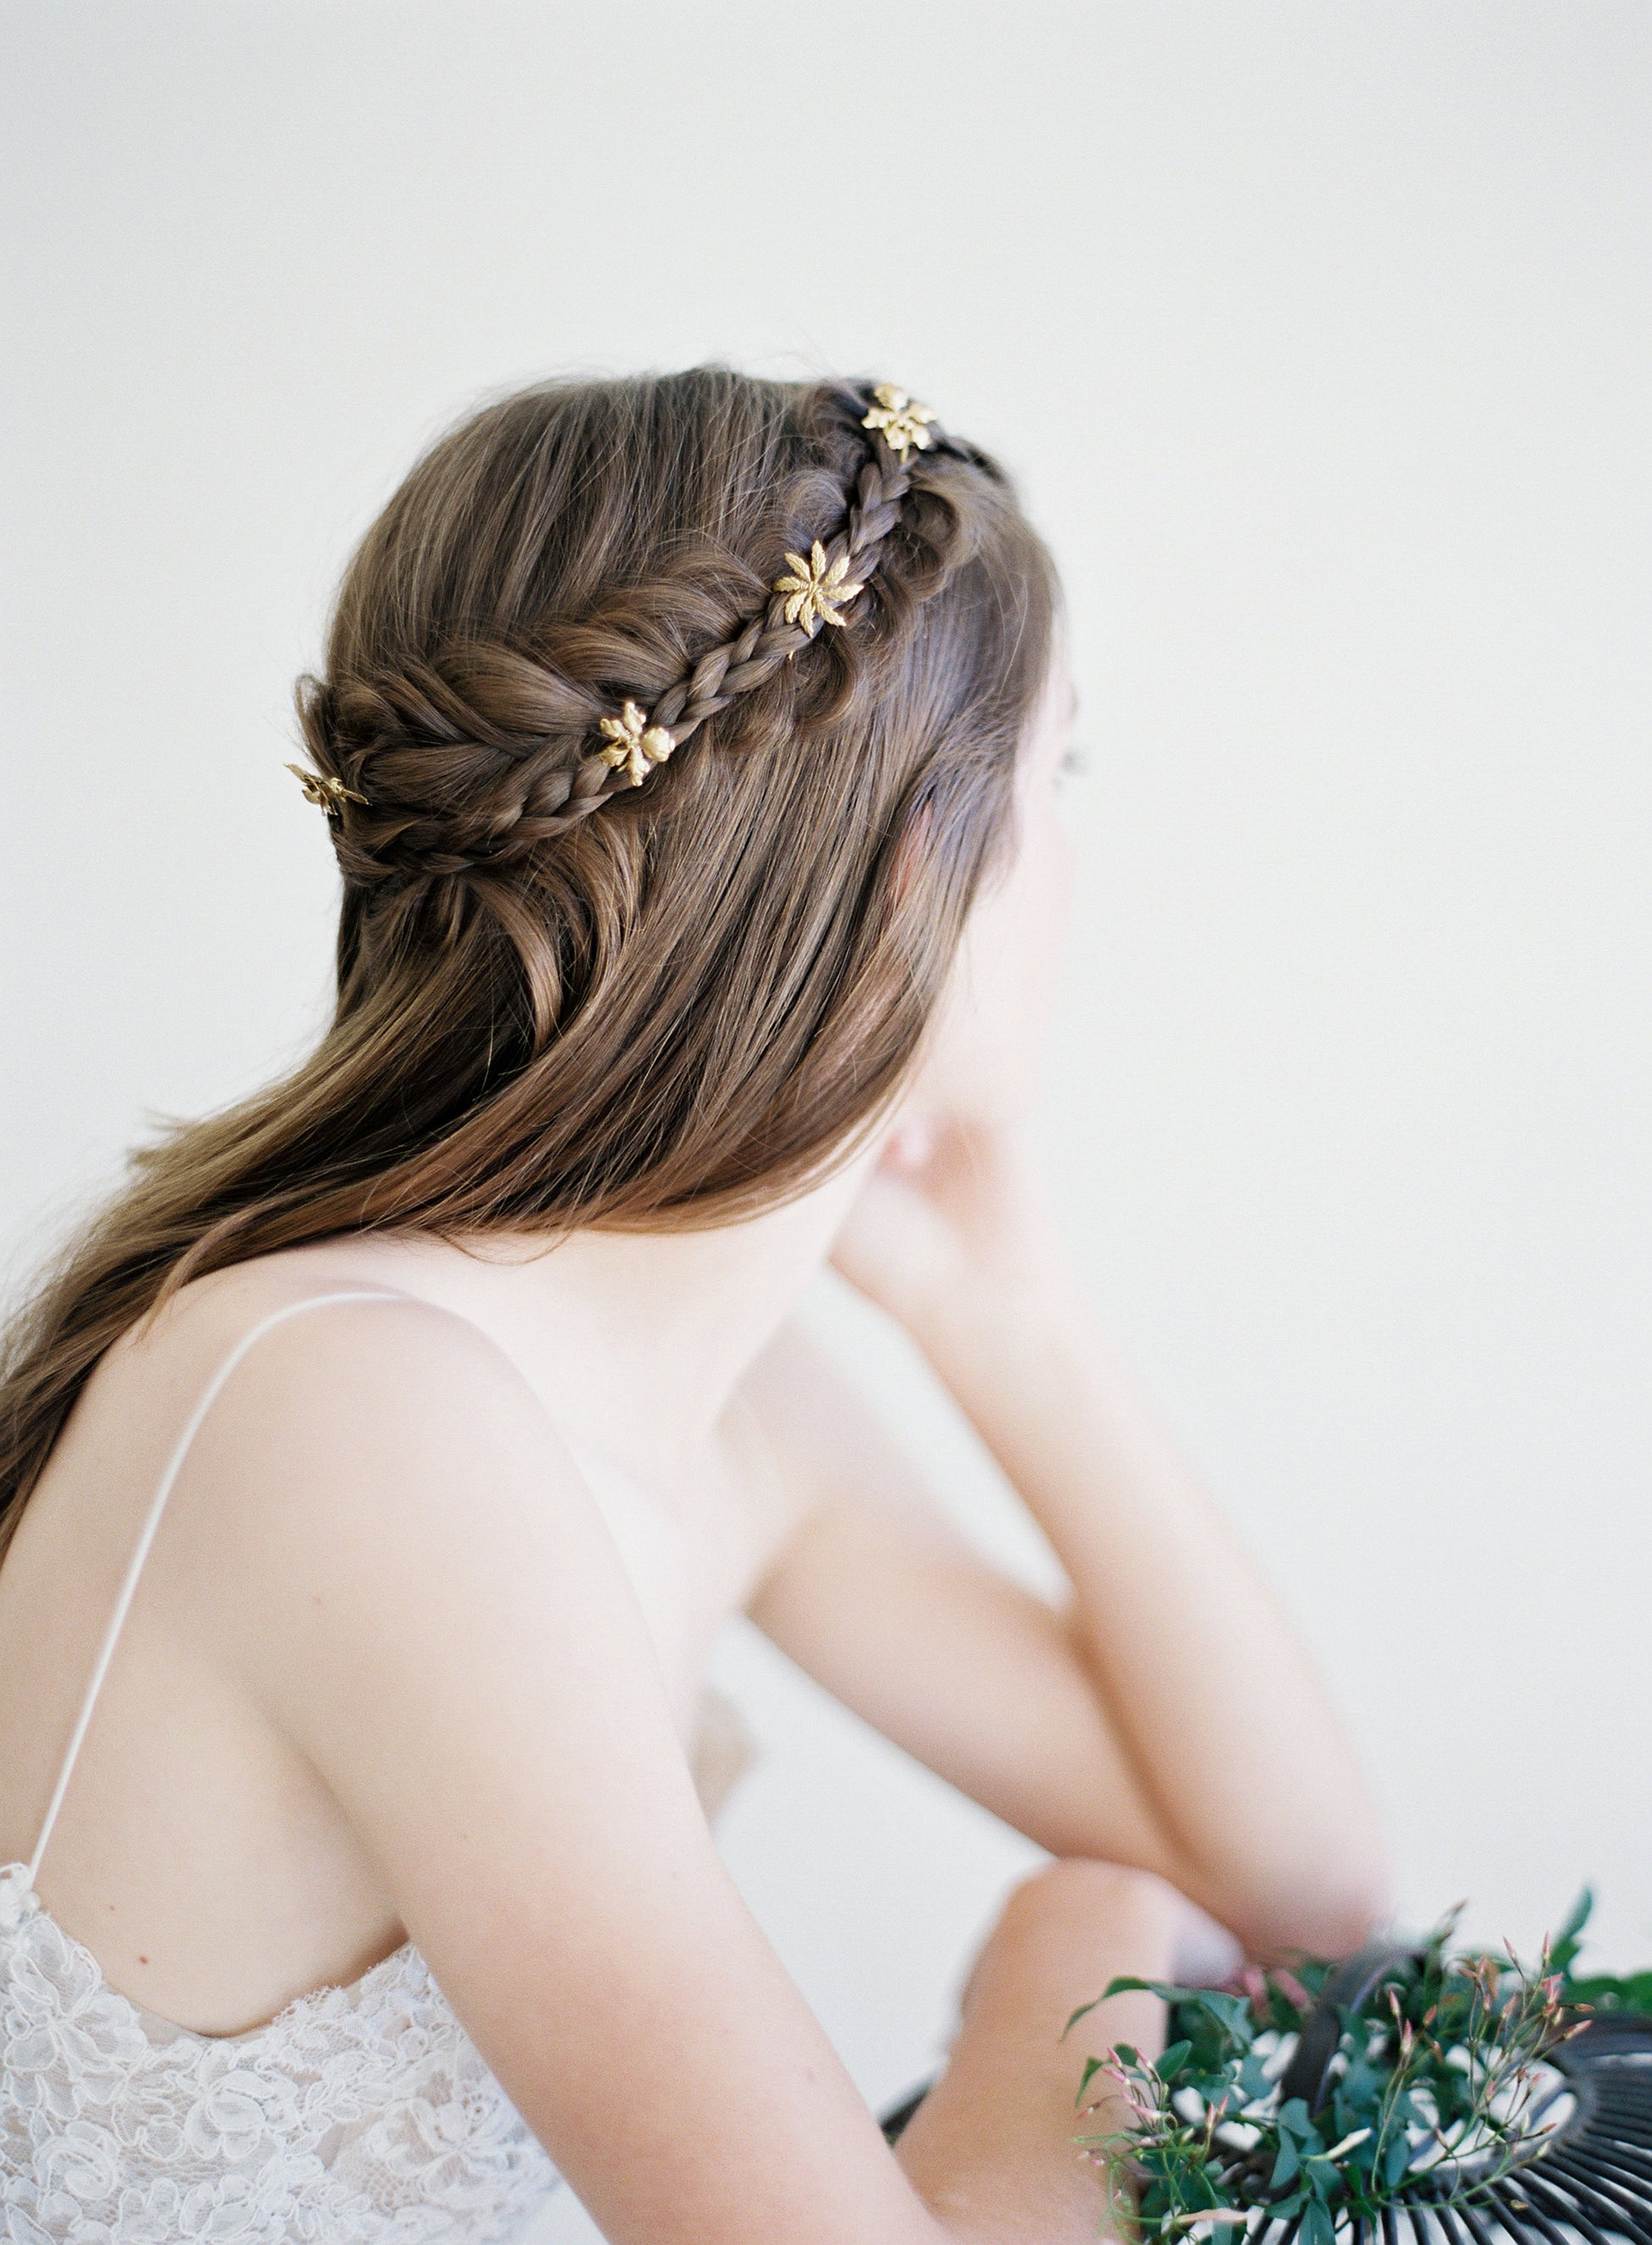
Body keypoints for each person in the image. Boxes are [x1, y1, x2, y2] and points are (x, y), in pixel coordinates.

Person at [0, 368, 1388, 2244]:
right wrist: (1077, 1960)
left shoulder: (713, 1391)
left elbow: (1307, 1891)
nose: (1072, 858)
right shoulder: (358, 1409)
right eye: (1058, 777)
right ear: (923, 873)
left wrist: (1014, 1320)